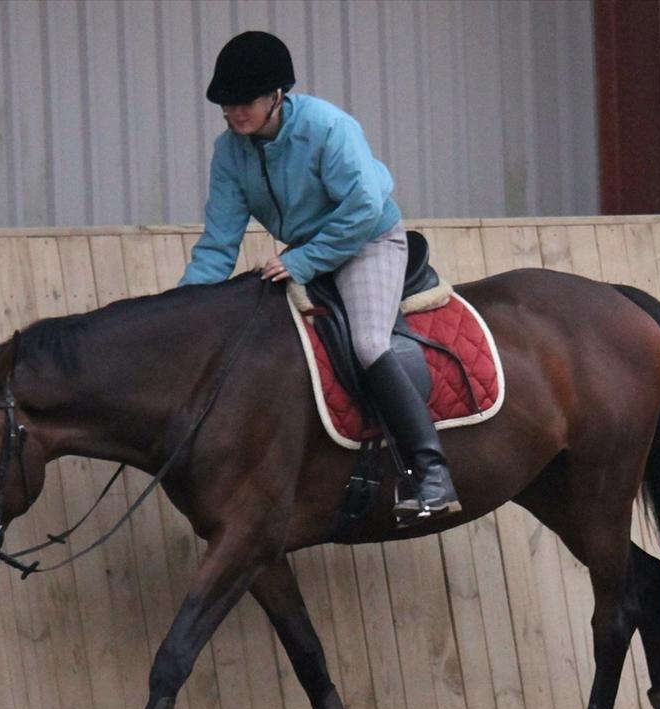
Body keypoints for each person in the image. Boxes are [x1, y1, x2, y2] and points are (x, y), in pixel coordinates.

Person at [181, 31, 460, 522]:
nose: (233, 113)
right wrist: (181, 312)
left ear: (277, 96)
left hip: (368, 240)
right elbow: (219, 242)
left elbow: (363, 206)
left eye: (244, 102)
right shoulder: (230, 151)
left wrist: (305, 262)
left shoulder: (329, 127)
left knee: (370, 343)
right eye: (226, 104)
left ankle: (432, 472)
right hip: (307, 251)